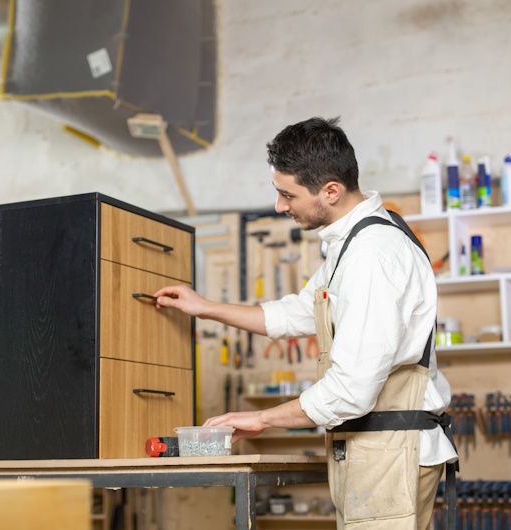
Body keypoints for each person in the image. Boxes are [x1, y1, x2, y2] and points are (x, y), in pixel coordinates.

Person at [153, 117, 458, 530]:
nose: (280, 206)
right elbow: (299, 311)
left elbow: (350, 391)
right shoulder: (353, 243)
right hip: (375, 448)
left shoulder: (372, 255)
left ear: (331, 191)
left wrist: (261, 419)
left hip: (390, 451)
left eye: (287, 194)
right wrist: (206, 308)